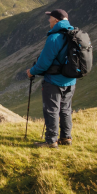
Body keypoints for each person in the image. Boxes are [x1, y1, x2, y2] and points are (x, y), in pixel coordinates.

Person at [26, 9, 75, 148]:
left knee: (51, 110)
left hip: (54, 81)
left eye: (50, 18)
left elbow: (44, 62)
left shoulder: (55, 37)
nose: (48, 20)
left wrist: (32, 72)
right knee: (65, 109)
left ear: (57, 21)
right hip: (70, 80)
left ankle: (51, 141)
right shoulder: (73, 35)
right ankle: (66, 138)